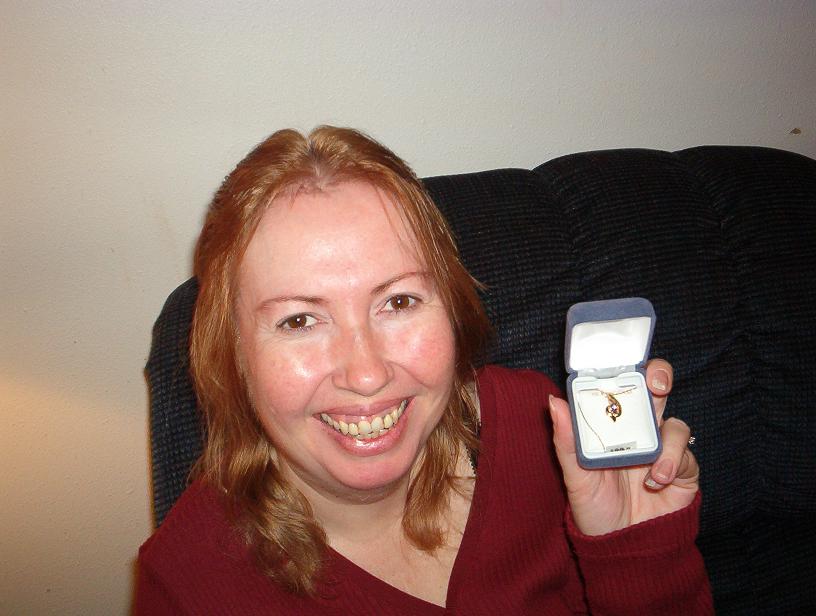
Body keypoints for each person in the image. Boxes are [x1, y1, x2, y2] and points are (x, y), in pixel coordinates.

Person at [135, 126, 713, 614]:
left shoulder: (545, 432)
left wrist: (634, 550)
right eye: (299, 321)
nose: (366, 375)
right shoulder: (187, 583)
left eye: (399, 301)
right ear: (232, 355)